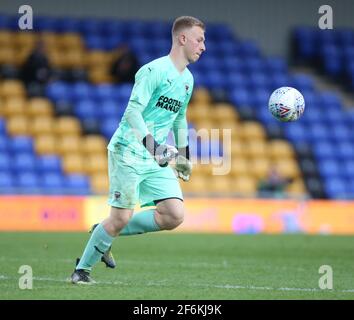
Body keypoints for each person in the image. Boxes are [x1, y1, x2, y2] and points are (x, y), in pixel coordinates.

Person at [71, 16, 206, 284]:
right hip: (129, 149)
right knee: (121, 217)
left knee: (174, 214)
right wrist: (153, 147)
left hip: (155, 155)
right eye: (200, 40)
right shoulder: (153, 71)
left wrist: (184, 156)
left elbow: (179, 118)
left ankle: (104, 232)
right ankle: (81, 271)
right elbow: (132, 112)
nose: (203, 46)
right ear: (183, 39)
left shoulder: (188, 80)